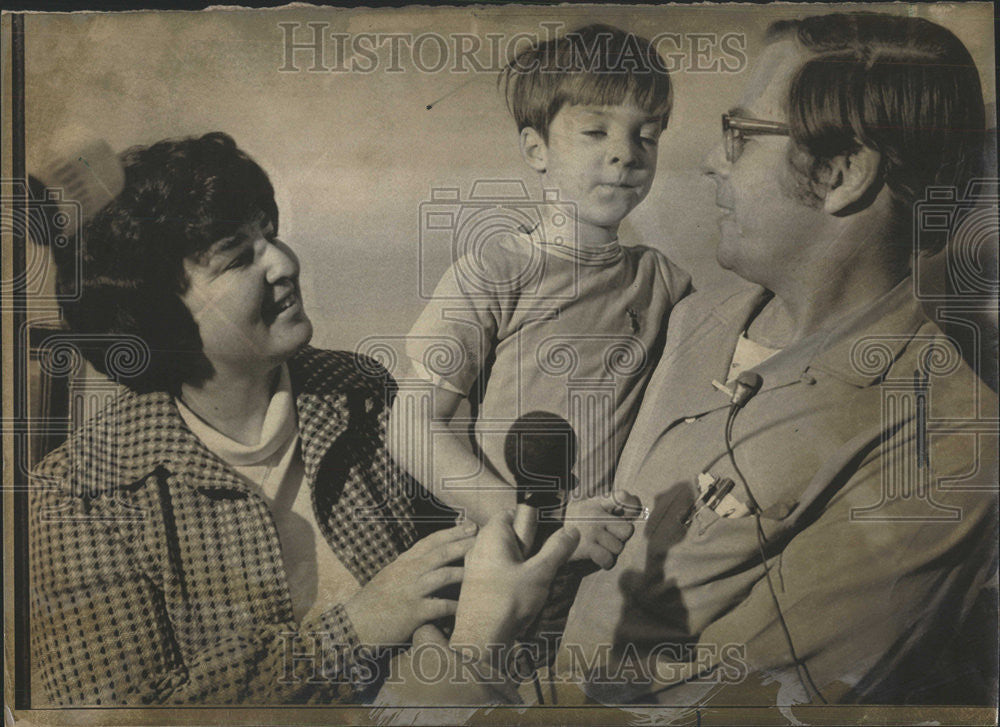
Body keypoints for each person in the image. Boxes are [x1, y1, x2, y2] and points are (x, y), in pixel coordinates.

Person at [550, 12, 998, 705]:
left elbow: (740, 707)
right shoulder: (701, 318)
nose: (710, 161)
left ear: (840, 173)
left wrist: (477, 663)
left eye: (741, 136)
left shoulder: (948, 443)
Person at [29, 132, 479, 705]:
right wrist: (357, 628)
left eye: (269, 234)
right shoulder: (78, 496)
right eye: (239, 257)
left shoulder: (361, 391)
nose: (284, 263)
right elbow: (124, 715)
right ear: (157, 318)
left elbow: (456, 575)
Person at [389, 25, 690, 651]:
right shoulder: (492, 271)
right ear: (536, 148)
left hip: (617, 591)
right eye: (596, 131)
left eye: (647, 134)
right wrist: (542, 519)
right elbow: (411, 428)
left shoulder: (666, 281)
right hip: (499, 582)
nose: (626, 152)